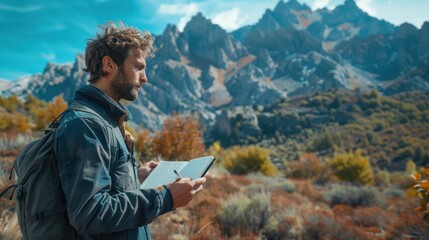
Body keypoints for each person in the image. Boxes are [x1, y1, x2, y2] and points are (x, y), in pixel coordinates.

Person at [53, 21, 206, 240]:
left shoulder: (106, 120)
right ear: (109, 65)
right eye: (138, 67)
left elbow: (105, 183)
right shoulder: (86, 125)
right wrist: (166, 198)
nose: (145, 78)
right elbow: (91, 213)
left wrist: (135, 176)